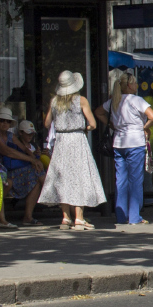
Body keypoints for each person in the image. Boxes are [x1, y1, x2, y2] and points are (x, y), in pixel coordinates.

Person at [38, 71, 104, 230]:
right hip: (77, 140)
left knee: (63, 178)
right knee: (79, 176)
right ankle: (79, 218)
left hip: (61, 142)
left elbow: (47, 123)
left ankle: (65, 217)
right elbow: (93, 123)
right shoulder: (81, 100)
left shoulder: (54, 102)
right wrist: (85, 128)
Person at [95, 69, 153, 225]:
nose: (136, 85)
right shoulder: (136, 100)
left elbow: (98, 112)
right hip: (135, 141)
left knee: (121, 180)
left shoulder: (114, 101)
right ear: (129, 85)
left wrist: (112, 125)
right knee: (135, 180)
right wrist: (144, 127)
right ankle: (135, 216)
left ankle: (121, 215)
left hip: (119, 142)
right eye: (135, 82)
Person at [0, 107, 39, 229]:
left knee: (35, 174)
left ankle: (27, 216)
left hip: (4, 169)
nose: (5, 123)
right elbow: (7, 152)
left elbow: (24, 148)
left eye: (7, 121)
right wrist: (32, 159)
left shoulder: (9, 135)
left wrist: (35, 159)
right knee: (5, 183)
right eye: (2, 120)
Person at [7, 120, 46, 226]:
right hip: (16, 174)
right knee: (38, 173)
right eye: (28, 133)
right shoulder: (14, 144)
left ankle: (28, 217)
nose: (30, 135)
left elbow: (36, 161)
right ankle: (48, 189)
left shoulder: (34, 145)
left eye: (32, 133)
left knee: (37, 179)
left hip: (30, 175)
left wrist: (37, 156)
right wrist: (32, 160)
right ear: (20, 133)